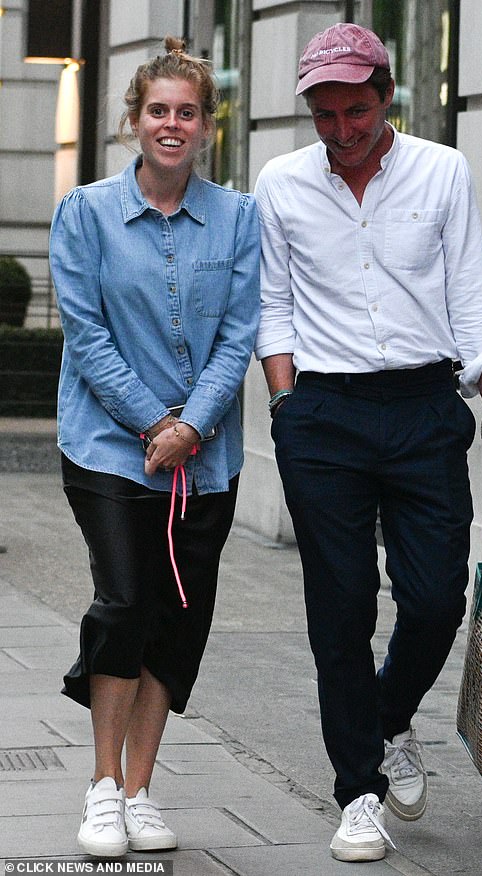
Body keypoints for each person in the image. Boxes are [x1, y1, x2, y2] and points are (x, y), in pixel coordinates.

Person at [254, 22, 482, 863]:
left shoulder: (442, 171)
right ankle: (357, 791)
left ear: (387, 97)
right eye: (326, 115)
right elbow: (273, 305)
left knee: (434, 598)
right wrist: (285, 407)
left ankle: (387, 718)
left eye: (357, 111)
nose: (342, 130)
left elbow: (473, 300)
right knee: (339, 608)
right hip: (324, 416)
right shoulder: (281, 182)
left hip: (422, 407)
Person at [49, 37, 260, 858]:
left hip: (205, 455)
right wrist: (154, 425)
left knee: (178, 619)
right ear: (134, 121)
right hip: (108, 445)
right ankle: (102, 788)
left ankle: (142, 790)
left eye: (188, 112)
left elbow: (239, 333)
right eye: (158, 111)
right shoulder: (86, 213)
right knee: (126, 599)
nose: (172, 124)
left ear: (208, 125)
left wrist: (192, 429)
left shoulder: (239, 218)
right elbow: (87, 334)